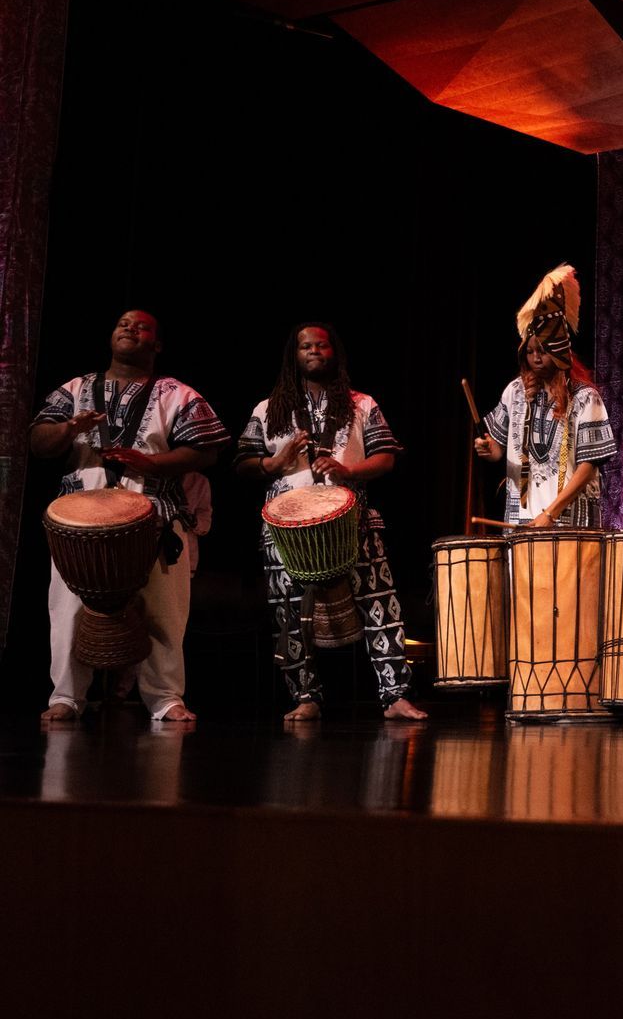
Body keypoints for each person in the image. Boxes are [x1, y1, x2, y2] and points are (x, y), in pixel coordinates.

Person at [30, 309, 228, 722]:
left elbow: (207, 450)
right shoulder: (76, 389)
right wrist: (69, 428)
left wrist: (152, 464)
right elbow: (38, 440)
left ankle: (166, 698)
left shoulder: (177, 394)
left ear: (156, 344)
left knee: (163, 613)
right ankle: (66, 696)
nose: (129, 329)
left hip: (155, 514)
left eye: (141, 327)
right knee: (68, 610)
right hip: (79, 523)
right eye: (123, 323)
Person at [234, 322, 427, 721]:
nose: (314, 351)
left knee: (380, 606)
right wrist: (275, 462)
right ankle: (305, 697)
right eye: (305, 345)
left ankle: (394, 697)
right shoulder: (267, 409)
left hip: (351, 520)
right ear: (294, 355)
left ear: (334, 352)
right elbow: (243, 463)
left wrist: (347, 469)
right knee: (288, 612)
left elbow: (386, 457)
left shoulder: (362, 404)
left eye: (322, 345)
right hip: (285, 529)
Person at [473, 264, 616, 526]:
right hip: (522, 519)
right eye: (530, 351)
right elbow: (497, 450)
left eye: (543, 350)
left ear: (559, 350)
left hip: (569, 521)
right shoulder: (514, 392)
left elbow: (589, 465)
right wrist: (487, 448)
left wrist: (550, 512)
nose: (536, 357)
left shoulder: (585, 398)